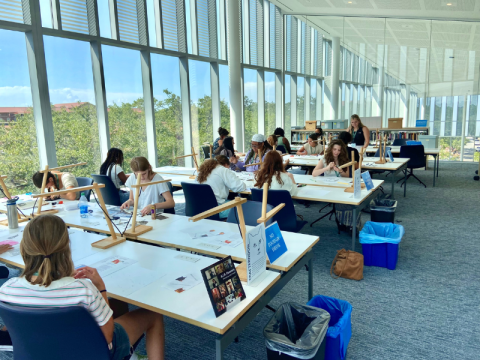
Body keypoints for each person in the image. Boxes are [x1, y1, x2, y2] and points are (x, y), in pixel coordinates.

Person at [0, 215, 165, 360]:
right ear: (66, 249)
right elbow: (107, 338)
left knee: (115, 306)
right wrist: (100, 288)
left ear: (25, 248)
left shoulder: (7, 290)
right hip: (91, 354)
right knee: (154, 314)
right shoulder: (83, 290)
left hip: (37, 353)